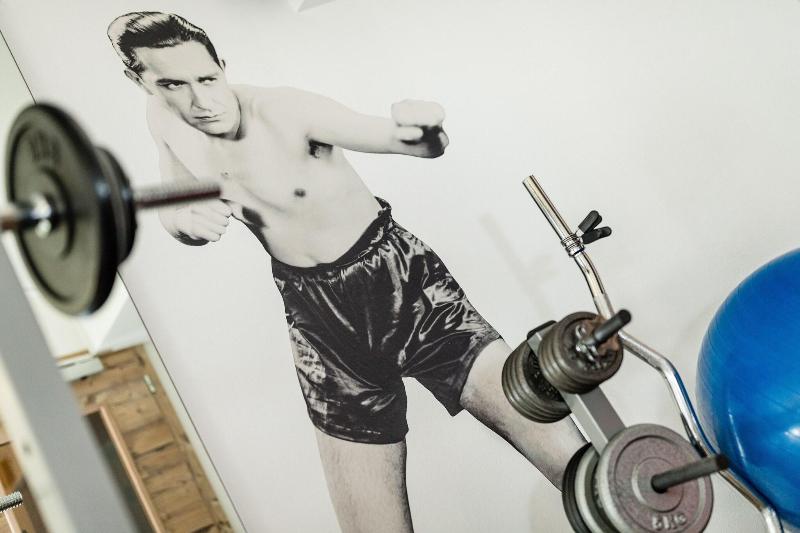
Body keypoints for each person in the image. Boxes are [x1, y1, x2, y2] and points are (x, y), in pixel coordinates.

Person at [108, 11, 585, 532]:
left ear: (222, 65)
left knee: (581, 471)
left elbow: (404, 140)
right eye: (173, 85)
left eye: (207, 78)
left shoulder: (286, 111)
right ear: (140, 83)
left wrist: (423, 131)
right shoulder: (162, 119)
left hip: (403, 286)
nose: (202, 101)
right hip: (316, 319)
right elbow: (178, 199)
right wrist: (181, 223)